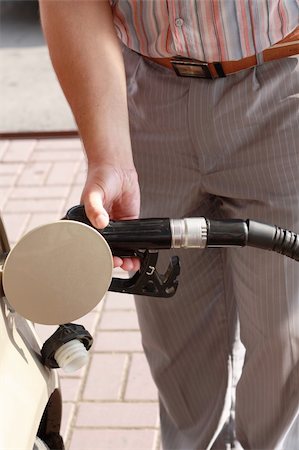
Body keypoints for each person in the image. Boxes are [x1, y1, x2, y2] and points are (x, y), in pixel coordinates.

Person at [39, 1, 299, 448]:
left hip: (282, 89)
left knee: (285, 339)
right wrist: (109, 156)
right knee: (175, 343)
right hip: (147, 98)